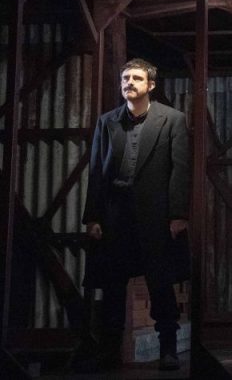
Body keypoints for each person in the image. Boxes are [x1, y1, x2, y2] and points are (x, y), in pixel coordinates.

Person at [77, 58, 190, 372]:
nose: (129, 83)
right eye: (125, 78)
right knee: (113, 285)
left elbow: (180, 170)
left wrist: (178, 214)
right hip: (116, 214)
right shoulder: (107, 121)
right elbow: (97, 170)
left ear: (150, 85)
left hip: (156, 214)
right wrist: (93, 216)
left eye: (136, 78)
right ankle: (109, 351)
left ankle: (168, 348)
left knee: (161, 282)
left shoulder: (172, 120)